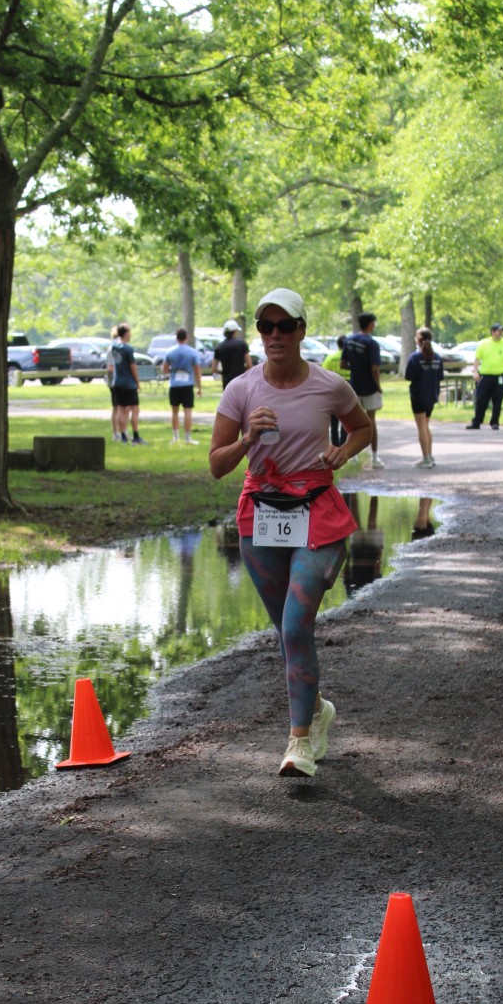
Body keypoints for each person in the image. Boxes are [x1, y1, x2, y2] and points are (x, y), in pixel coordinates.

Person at [209, 286, 372, 778]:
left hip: (316, 511)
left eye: (284, 326)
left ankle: (298, 741)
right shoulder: (240, 390)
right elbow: (216, 465)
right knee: (286, 630)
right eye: (266, 327)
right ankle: (317, 709)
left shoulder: (330, 386)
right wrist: (247, 439)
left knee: (297, 624)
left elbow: (362, 428)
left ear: (301, 330)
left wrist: (343, 451)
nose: (274, 335)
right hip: (261, 515)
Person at [342, 311, 385, 467]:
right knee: (371, 421)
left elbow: (343, 364)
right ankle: (374, 458)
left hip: (354, 386)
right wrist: (378, 386)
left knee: (352, 423)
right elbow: (375, 369)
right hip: (370, 388)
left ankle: (352, 457)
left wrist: (356, 368)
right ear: (371, 324)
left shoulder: (349, 340)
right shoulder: (372, 343)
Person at [404, 326, 443, 465]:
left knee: (421, 427)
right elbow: (440, 377)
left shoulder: (415, 357)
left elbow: (408, 376)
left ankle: (426, 458)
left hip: (418, 395)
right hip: (432, 395)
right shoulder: (437, 357)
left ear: (419, 340)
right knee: (426, 426)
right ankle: (429, 456)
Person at [465, 323, 503, 430]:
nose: (501, 333)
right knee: (481, 399)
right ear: (493, 332)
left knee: (497, 400)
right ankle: (477, 422)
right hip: (486, 376)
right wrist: (475, 372)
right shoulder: (484, 343)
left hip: (499, 376)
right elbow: (477, 359)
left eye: (502, 331)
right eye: (498, 331)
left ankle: (495, 422)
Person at [163, 326, 203, 444]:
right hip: (187, 384)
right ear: (187, 337)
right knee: (188, 411)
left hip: (174, 384)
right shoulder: (192, 352)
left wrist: (173, 370)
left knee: (174, 411)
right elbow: (197, 371)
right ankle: (187, 437)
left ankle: (175, 437)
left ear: (176, 338)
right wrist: (199, 387)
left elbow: (165, 369)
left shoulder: (170, 352)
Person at [111, 322, 146, 444]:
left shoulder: (114, 347)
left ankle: (123, 436)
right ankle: (136, 436)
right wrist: (137, 382)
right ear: (126, 334)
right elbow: (133, 367)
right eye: (129, 332)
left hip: (118, 382)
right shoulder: (128, 349)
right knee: (135, 409)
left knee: (121, 409)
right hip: (128, 383)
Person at [213, 319, 252, 389]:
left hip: (227, 383)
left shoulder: (219, 347)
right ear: (235, 331)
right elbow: (249, 364)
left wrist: (224, 373)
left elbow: (214, 368)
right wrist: (242, 370)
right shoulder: (242, 344)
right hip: (241, 381)